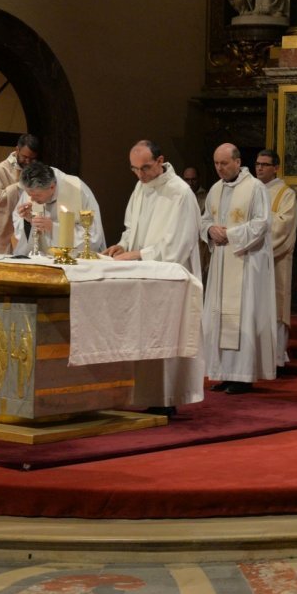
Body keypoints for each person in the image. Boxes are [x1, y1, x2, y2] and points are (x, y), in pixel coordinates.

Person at [104, 140, 204, 416]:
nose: (140, 175)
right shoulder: (141, 187)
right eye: (134, 169)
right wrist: (123, 245)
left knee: (165, 339)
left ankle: (166, 399)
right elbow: (131, 227)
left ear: (161, 161)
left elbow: (176, 246)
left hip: (170, 278)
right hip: (145, 277)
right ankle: (147, 396)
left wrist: (136, 255)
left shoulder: (180, 193)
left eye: (146, 168)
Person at [200, 143, 278, 394]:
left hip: (245, 262)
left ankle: (242, 375)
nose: (220, 168)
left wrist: (230, 234)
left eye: (224, 163)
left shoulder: (254, 187)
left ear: (237, 162)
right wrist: (210, 231)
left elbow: (262, 223)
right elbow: (204, 221)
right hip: (222, 262)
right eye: (216, 164)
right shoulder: (214, 189)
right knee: (219, 317)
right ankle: (223, 372)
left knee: (242, 315)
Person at [255, 149, 297, 367]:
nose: (260, 168)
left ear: (275, 168)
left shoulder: (285, 194)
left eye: (264, 164)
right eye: (257, 164)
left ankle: (276, 358)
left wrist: (257, 225)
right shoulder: (251, 191)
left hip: (275, 260)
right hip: (252, 261)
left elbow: (283, 226)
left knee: (276, 307)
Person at [12, 161, 106, 255]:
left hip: (73, 260)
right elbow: (18, 222)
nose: (31, 199)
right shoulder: (31, 187)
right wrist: (29, 221)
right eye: (29, 194)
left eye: (37, 195)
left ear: (52, 187)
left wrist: (53, 228)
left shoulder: (77, 189)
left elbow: (93, 235)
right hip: (40, 257)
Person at [0, 134, 40, 253]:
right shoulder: (1, 170)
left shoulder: (35, 170)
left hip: (27, 225)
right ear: (17, 150)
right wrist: (18, 187)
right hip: (4, 231)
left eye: (32, 159)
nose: (28, 161)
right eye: (25, 157)